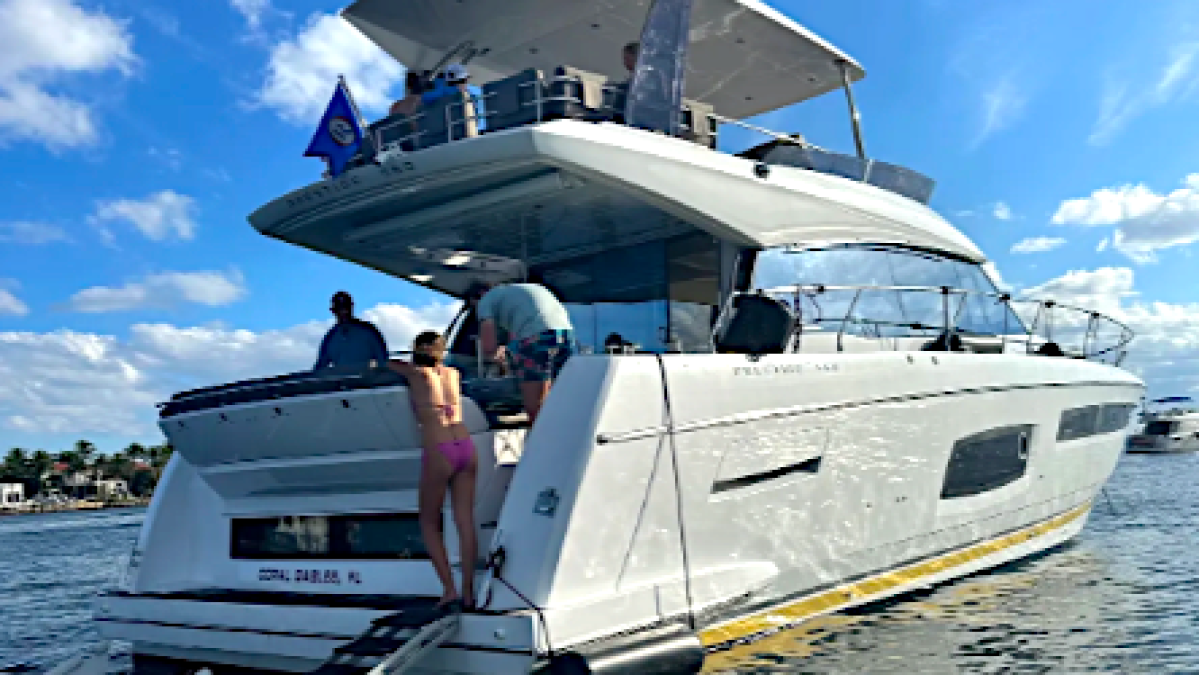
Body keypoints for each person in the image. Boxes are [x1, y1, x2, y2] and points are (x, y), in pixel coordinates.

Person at [388, 332, 477, 611]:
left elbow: (385, 364)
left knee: (428, 521)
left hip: (439, 447)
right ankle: (469, 590)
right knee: (465, 521)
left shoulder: (417, 374)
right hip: (465, 445)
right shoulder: (454, 374)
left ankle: (449, 589)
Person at [467, 281, 574, 423]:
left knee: (535, 406)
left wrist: (495, 356)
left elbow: (488, 347)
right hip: (566, 334)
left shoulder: (486, 300)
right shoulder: (516, 294)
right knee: (559, 396)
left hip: (537, 337)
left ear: (479, 295)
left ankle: (540, 435)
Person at [313, 291, 389, 371]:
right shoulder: (329, 339)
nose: (344, 311)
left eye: (346, 306)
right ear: (333, 311)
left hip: (367, 378)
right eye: (339, 308)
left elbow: (384, 362)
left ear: (352, 307)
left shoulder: (370, 331)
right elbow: (319, 369)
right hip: (340, 379)